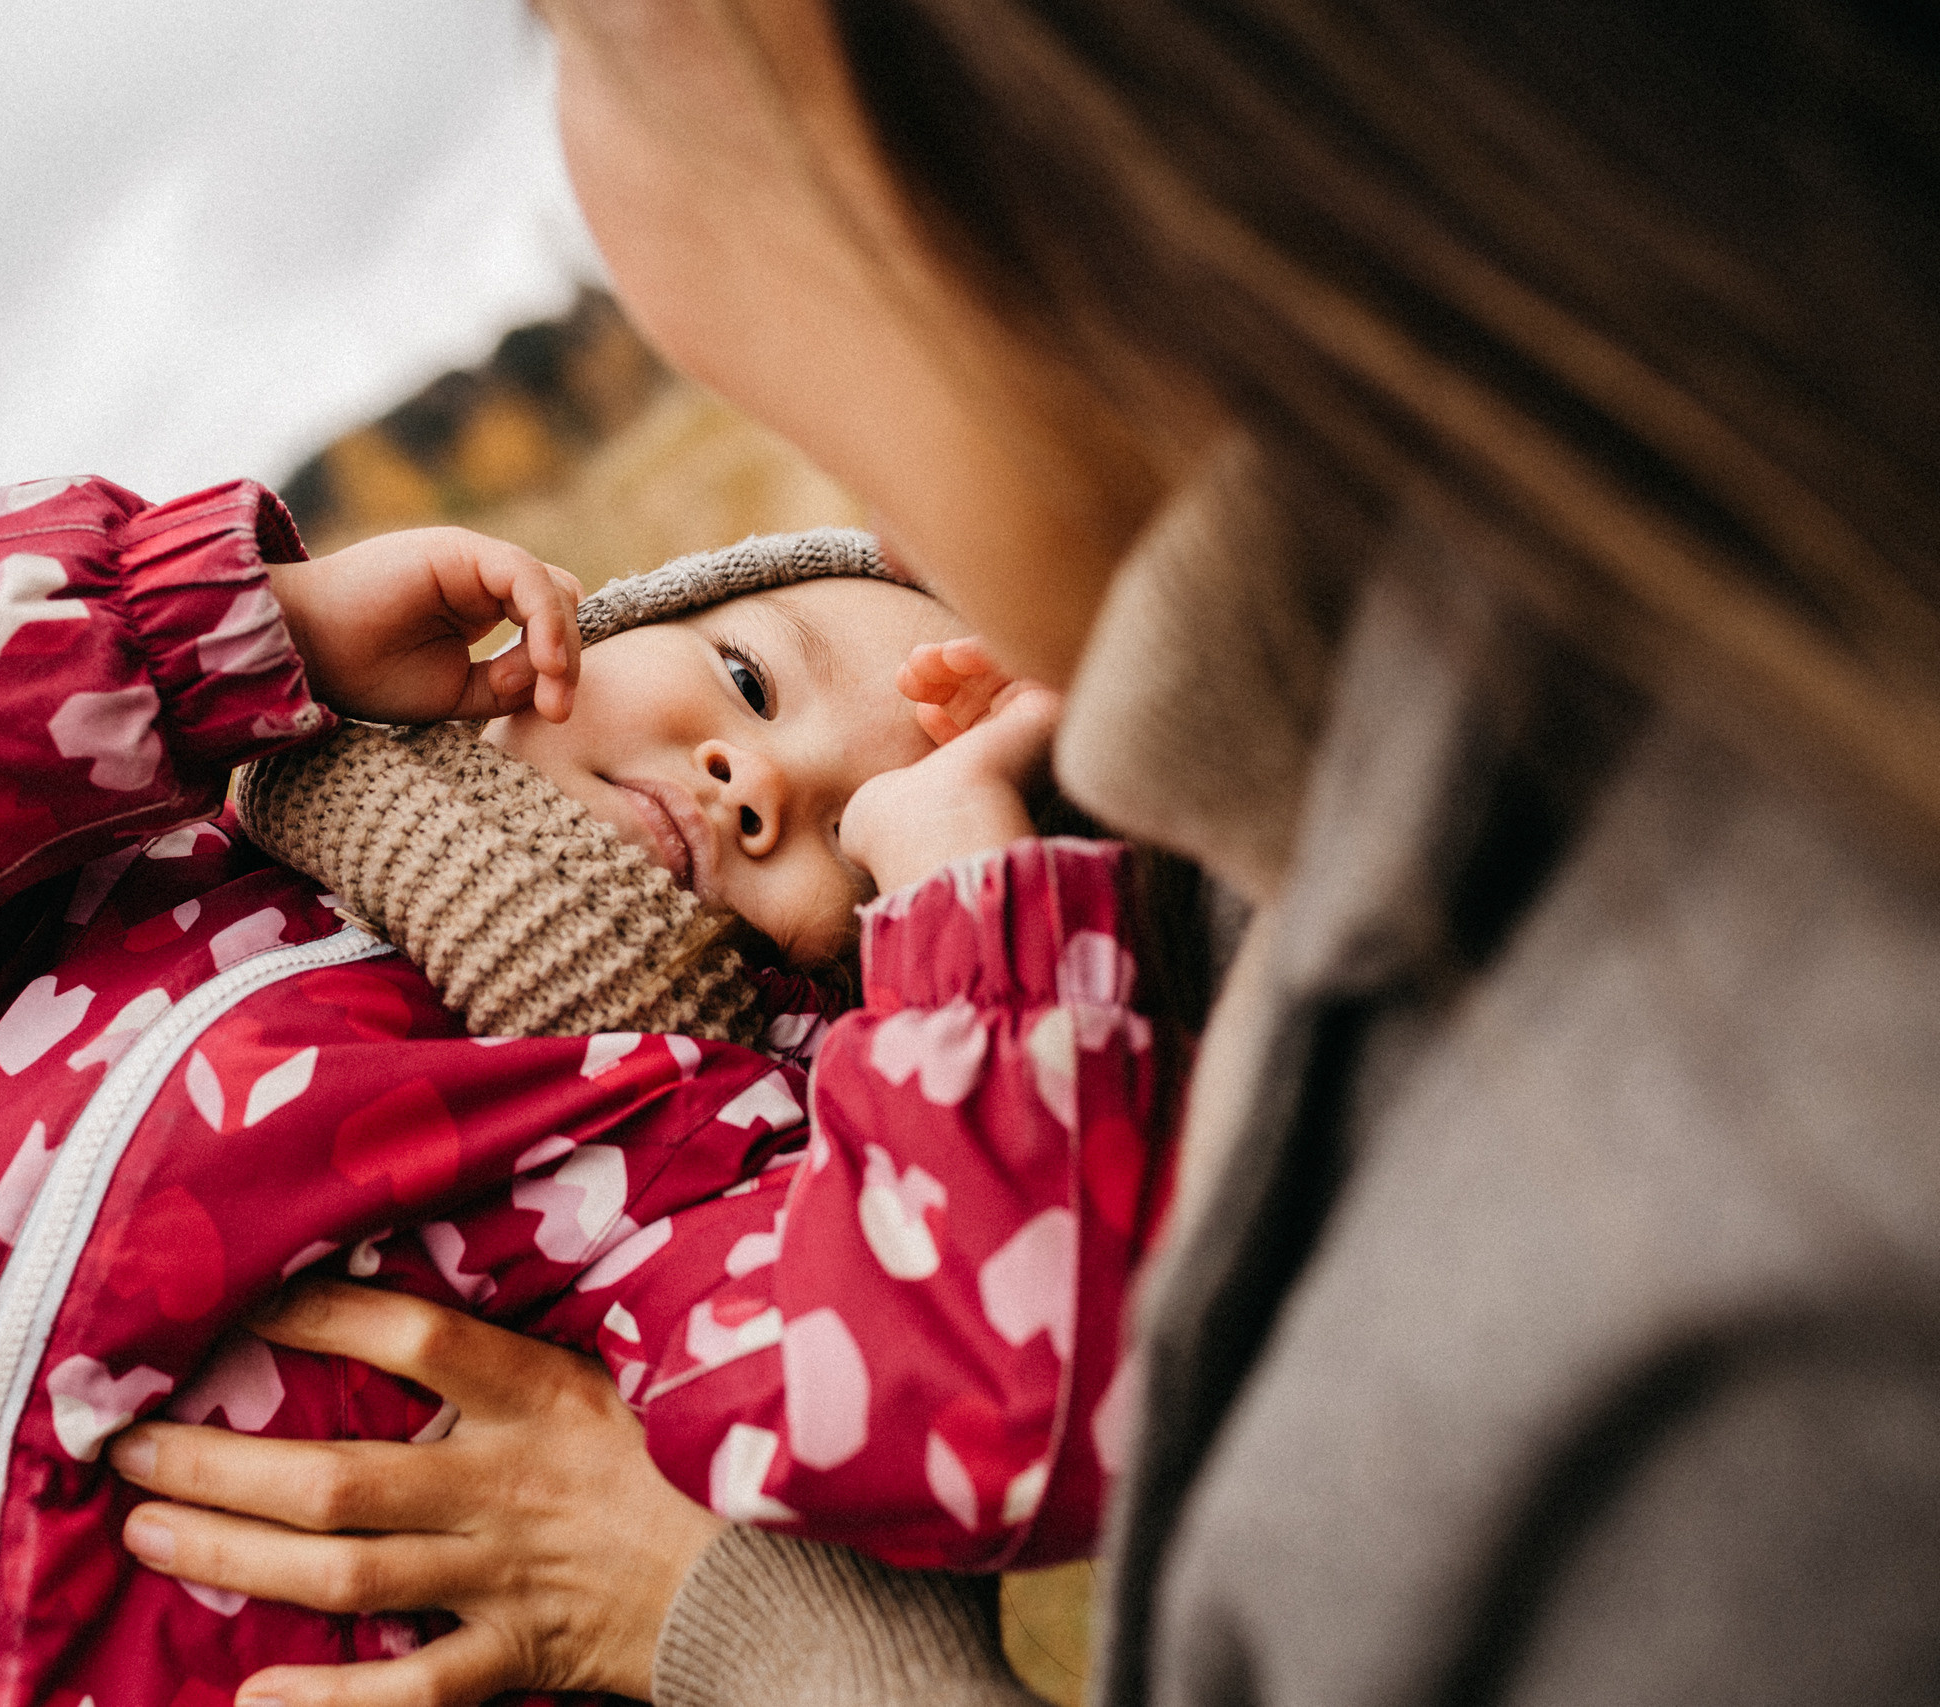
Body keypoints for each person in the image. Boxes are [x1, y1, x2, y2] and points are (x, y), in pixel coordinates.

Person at [98, 3, 1940, 1706]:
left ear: (820, 63)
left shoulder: (1693, 1357)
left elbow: (993, 1390)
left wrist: (740, 1623)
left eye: (570, 31)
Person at [0, 494, 1185, 1706]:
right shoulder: (148, 883)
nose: (752, 782)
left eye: (854, 837)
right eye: (748, 677)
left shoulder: (690, 1157)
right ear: (596, 625)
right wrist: (231, 633)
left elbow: (993, 1411)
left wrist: (976, 903)